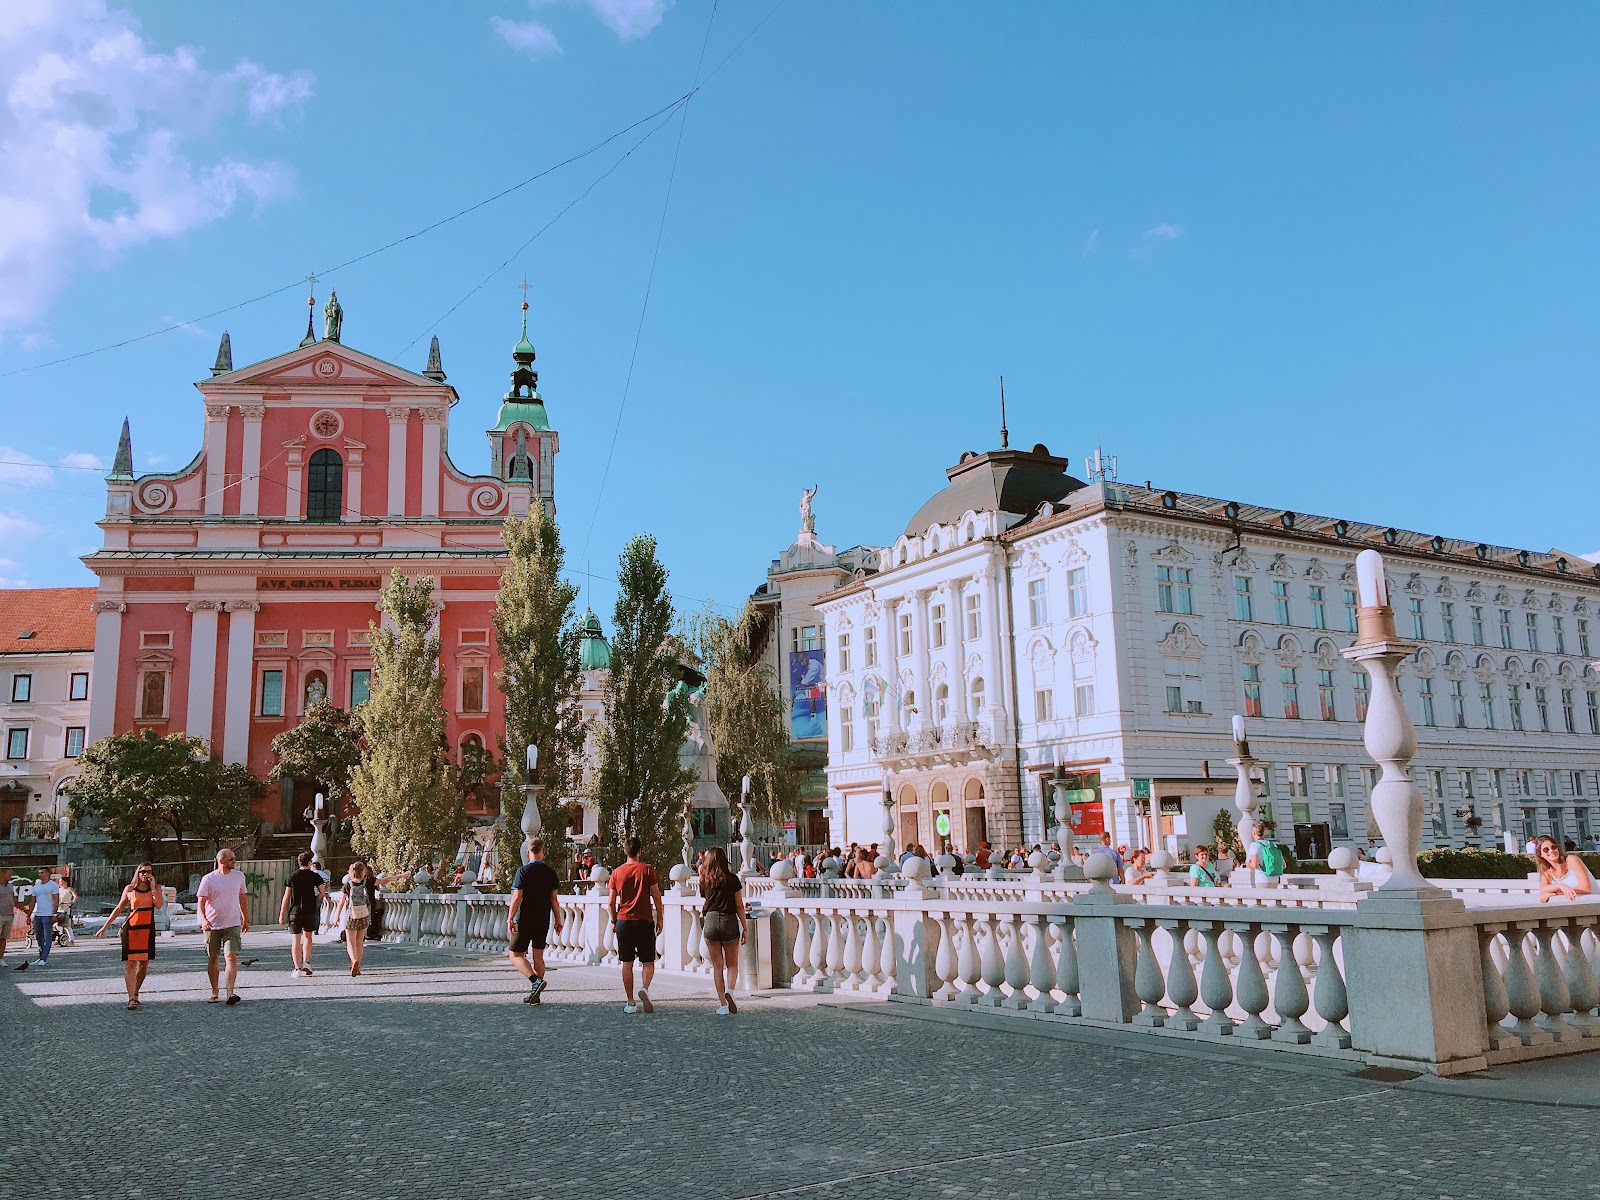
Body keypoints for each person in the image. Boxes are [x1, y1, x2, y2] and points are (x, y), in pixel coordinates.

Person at [96, 862, 164, 1009]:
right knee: (130, 963)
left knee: (144, 964)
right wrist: (105, 927)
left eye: (149, 872)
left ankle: (136, 991)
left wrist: (153, 888)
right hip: (132, 929)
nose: (145, 874)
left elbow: (158, 905)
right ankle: (131, 997)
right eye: (142, 871)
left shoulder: (156, 889)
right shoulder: (130, 889)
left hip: (147, 928)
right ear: (137, 873)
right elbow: (119, 908)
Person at [609, 836, 663, 1014]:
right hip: (644, 920)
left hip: (624, 920)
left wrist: (613, 920)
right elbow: (656, 896)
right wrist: (660, 918)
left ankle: (630, 1002)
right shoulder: (647, 870)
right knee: (648, 961)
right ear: (640, 851)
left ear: (625, 851)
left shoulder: (616, 873)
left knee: (627, 962)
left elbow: (610, 902)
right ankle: (645, 988)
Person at [508, 837, 562, 1004]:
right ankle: (535, 994)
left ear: (528, 852)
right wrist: (558, 921)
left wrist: (510, 918)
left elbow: (517, 897)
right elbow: (554, 900)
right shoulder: (550, 873)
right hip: (543, 919)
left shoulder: (523, 872)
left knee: (515, 954)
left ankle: (535, 981)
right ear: (542, 851)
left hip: (525, 918)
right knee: (538, 956)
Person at [698, 846, 747, 1016]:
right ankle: (731, 991)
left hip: (710, 921)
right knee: (732, 964)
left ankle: (723, 1005)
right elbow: (739, 905)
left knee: (717, 966)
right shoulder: (732, 879)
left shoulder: (704, 880)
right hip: (728, 921)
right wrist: (745, 927)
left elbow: (705, 898)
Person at [196, 849, 249, 1004]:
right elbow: (201, 902)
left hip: (232, 923)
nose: (234, 861)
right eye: (231, 859)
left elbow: (242, 898)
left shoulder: (239, 876)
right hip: (212, 924)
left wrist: (245, 919)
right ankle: (214, 991)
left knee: (231, 956)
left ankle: (230, 993)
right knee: (213, 957)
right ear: (221, 861)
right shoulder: (208, 879)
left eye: (234, 859)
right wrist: (203, 920)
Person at [278, 851, 327, 977]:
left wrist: (282, 913)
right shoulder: (315, 876)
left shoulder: (292, 876)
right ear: (310, 862)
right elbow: (322, 891)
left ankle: (296, 968)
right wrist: (317, 898)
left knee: (295, 940)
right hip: (309, 910)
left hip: (295, 910)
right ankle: (306, 961)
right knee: (308, 937)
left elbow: (286, 896)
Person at [334, 860, 374, 976]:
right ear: (363, 872)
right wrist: (400, 876)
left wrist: (337, 916)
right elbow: (384, 880)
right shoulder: (367, 883)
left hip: (351, 915)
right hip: (364, 915)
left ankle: (353, 960)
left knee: (350, 943)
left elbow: (341, 903)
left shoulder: (348, 885)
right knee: (359, 942)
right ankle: (359, 965)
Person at [16, 868, 60, 970]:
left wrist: (54, 914)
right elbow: (33, 901)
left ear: (48, 873)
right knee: (38, 936)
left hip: (47, 914)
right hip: (38, 914)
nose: (40, 874)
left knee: (47, 937)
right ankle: (41, 956)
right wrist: (29, 915)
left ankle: (44, 958)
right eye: (39, 873)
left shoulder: (53, 885)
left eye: (42, 872)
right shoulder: (36, 886)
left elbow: (56, 900)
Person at [1535, 835, 1595, 902]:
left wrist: (1556, 893)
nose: (1551, 851)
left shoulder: (1571, 859)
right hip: (1576, 906)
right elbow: (1542, 889)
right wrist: (1559, 886)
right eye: (1546, 850)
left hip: (1594, 903)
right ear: (1540, 854)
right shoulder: (1547, 870)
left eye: (1554, 847)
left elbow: (1586, 888)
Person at [1246, 821, 1285, 887]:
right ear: (1263, 833)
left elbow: (1254, 865)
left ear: (1253, 833)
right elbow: (1284, 865)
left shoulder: (1254, 845)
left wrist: (1248, 864)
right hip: (1274, 880)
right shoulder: (1273, 845)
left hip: (1262, 879)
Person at [0, 867, 15, 969]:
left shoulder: (10, 886)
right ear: (2, 874)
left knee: (3, 938)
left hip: (9, 915)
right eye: (9, 874)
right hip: (0, 915)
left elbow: (14, 899)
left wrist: (25, 909)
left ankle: (1, 958)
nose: (11, 876)